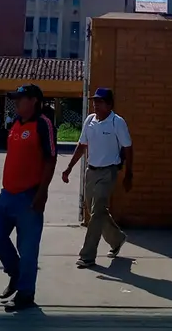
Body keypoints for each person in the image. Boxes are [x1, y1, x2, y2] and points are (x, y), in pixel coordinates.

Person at [0, 84, 57, 311]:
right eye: (15, 98)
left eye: (21, 98)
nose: (16, 102)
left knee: (28, 249)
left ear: (34, 100)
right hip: (7, 193)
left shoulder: (43, 124)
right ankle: (15, 272)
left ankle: (26, 294)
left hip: (29, 196)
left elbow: (51, 159)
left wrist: (42, 192)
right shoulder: (16, 122)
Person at [61, 87, 133, 269]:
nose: (95, 105)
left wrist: (128, 173)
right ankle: (117, 239)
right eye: (94, 101)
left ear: (109, 104)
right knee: (95, 210)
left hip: (108, 172)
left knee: (97, 212)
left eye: (100, 102)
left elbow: (128, 148)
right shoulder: (90, 121)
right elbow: (82, 145)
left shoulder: (117, 122)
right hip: (91, 171)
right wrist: (69, 167)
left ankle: (87, 256)